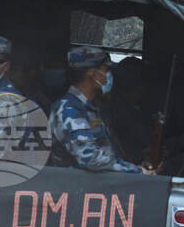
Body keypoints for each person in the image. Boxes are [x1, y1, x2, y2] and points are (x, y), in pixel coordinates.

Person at [48, 46, 152, 174]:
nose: (109, 75)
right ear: (92, 73)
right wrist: (137, 171)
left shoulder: (92, 109)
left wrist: (136, 165)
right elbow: (90, 158)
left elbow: (107, 154)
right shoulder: (68, 109)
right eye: (106, 69)